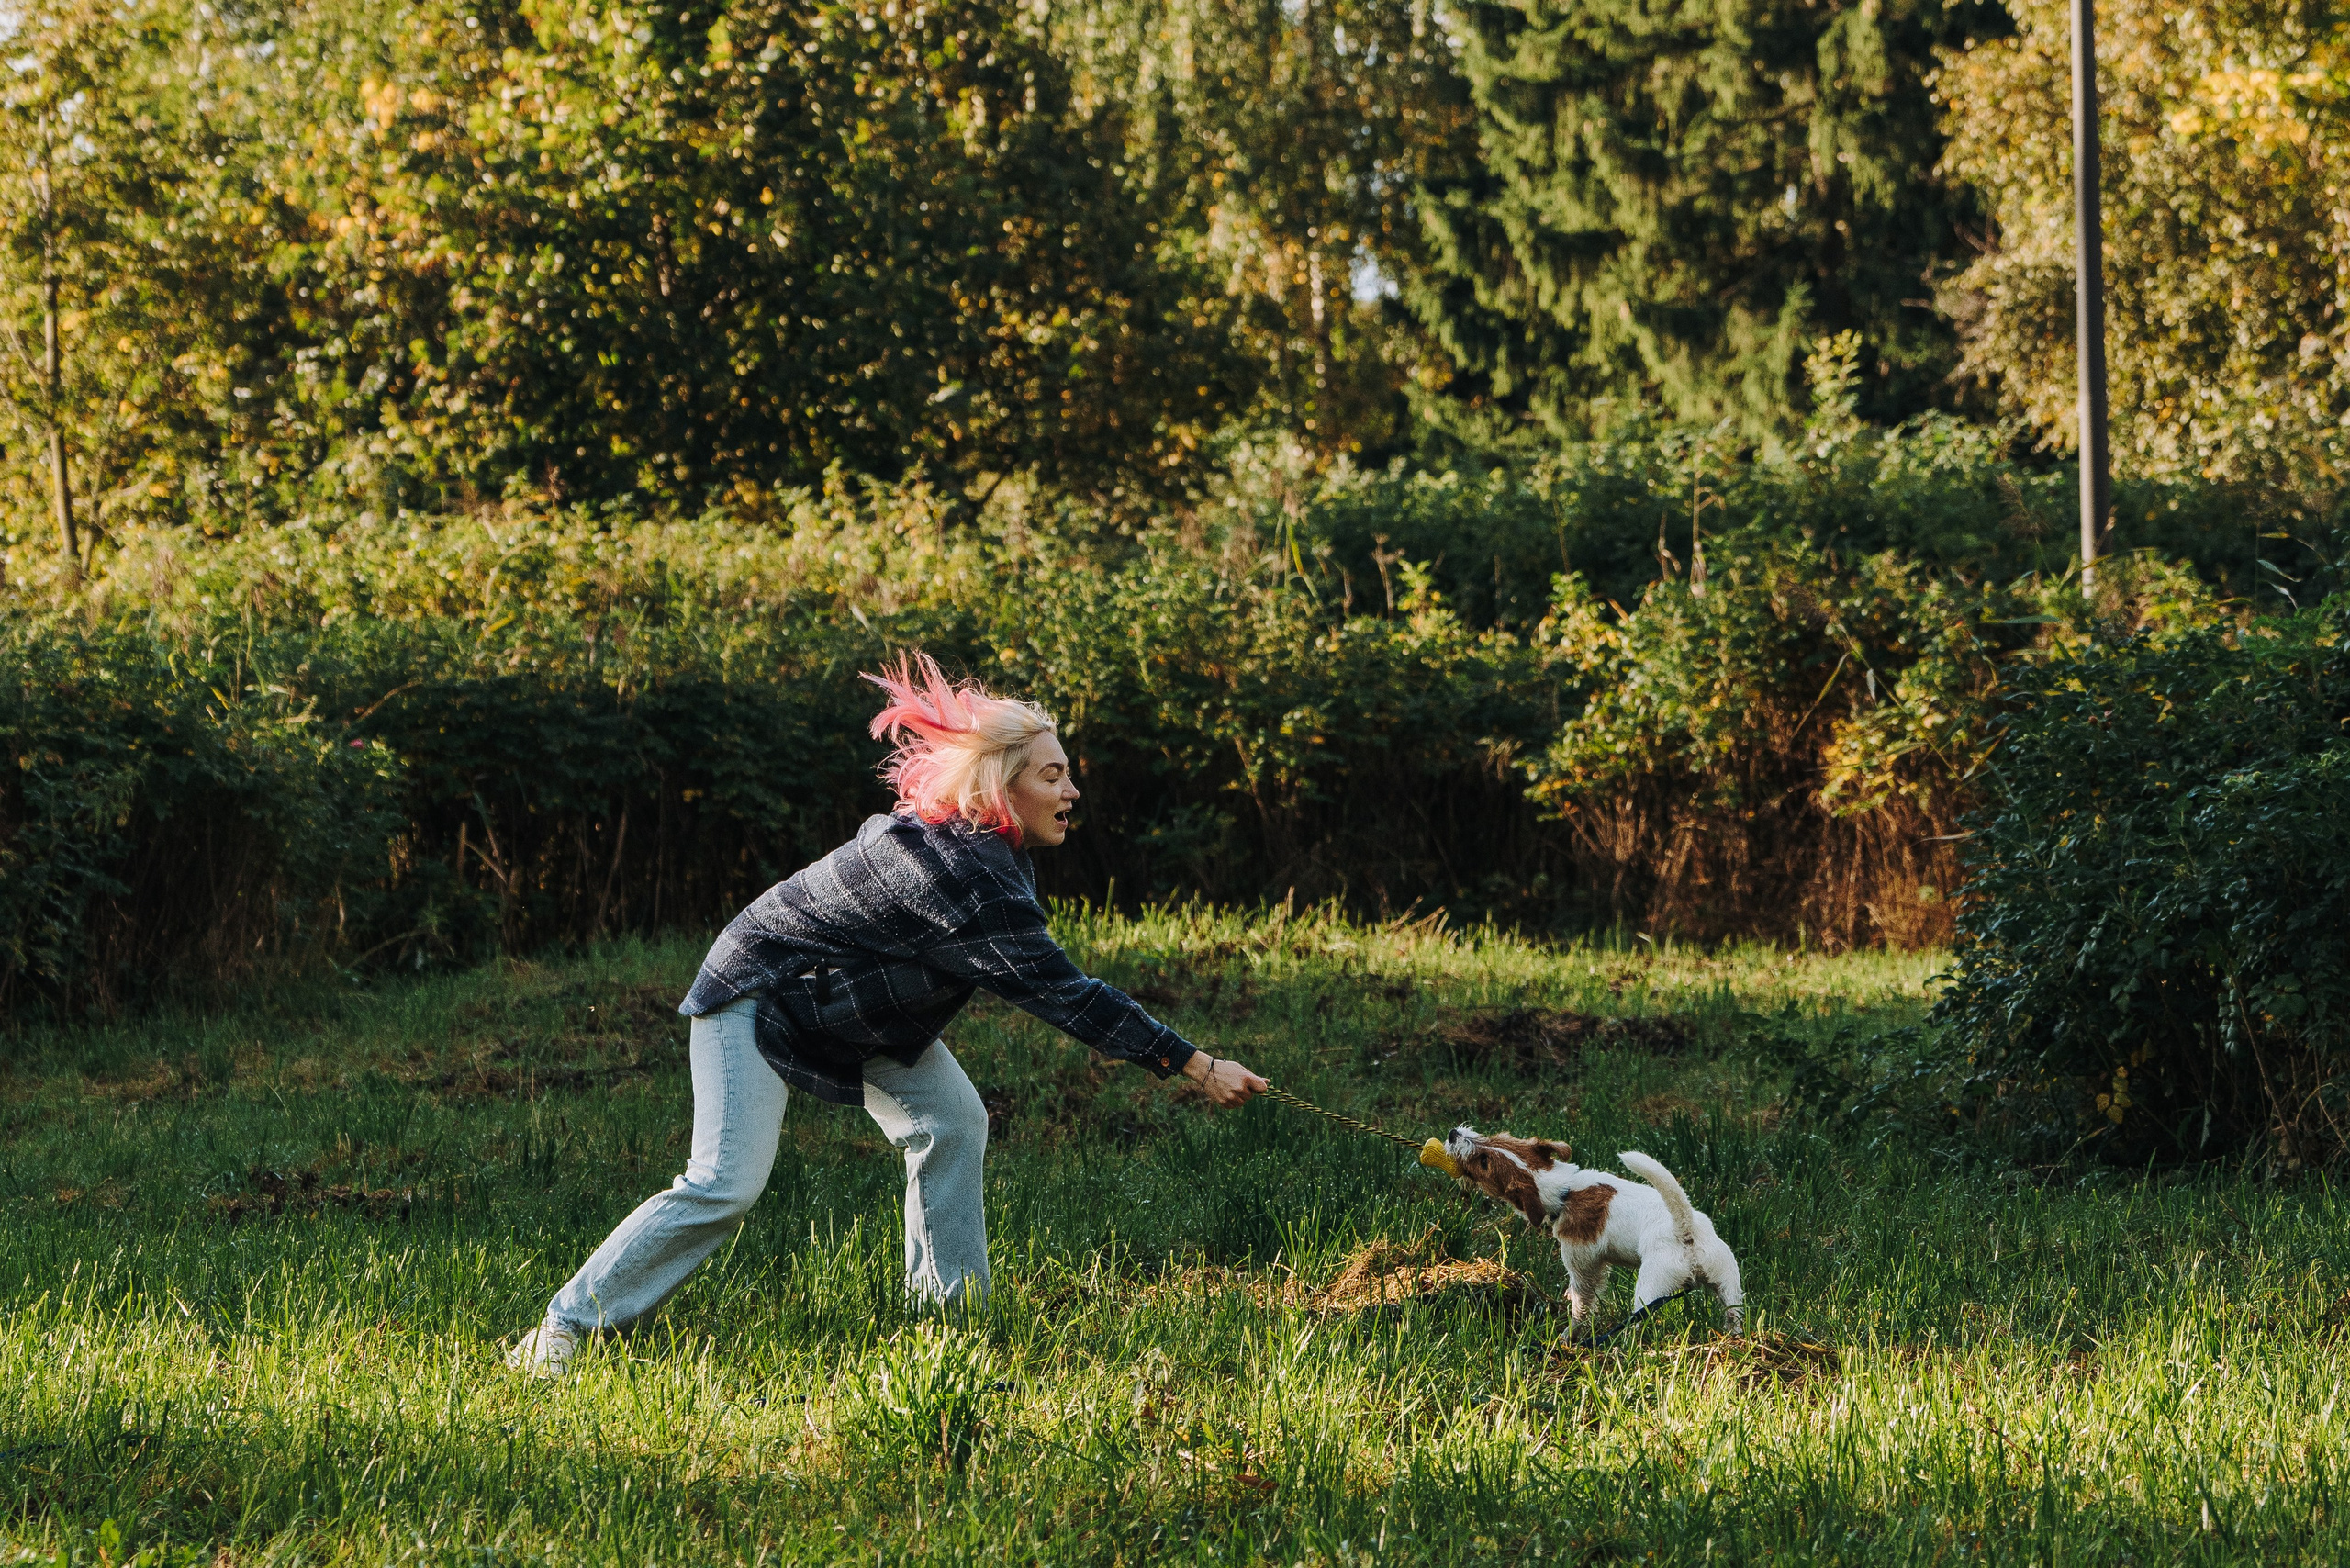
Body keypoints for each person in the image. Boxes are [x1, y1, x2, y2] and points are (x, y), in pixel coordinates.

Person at [508, 651, 1268, 1375]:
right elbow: (1068, 995)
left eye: (1069, 773)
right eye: (1053, 775)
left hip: (848, 1008)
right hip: (763, 992)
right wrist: (1195, 1065)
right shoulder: (963, 874)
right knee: (724, 1183)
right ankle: (564, 1328)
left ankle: (949, 1332)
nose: (1072, 792)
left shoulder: (989, 855)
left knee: (954, 1122)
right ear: (1005, 786)